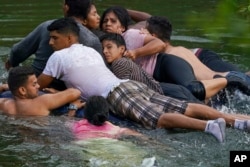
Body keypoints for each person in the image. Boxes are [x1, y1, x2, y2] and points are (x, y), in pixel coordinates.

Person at [37, 17, 250, 143]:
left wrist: (7, 85)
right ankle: (237, 120)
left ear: (69, 38)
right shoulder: (91, 52)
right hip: (131, 86)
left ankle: (210, 127)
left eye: (55, 38)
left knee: (161, 118)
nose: (50, 42)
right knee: (184, 106)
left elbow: (39, 85)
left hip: (116, 94)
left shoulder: (58, 57)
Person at [5, 0, 102, 90]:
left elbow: (17, 52)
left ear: (66, 8)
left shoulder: (48, 27)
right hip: (70, 92)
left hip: (36, 86)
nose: (50, 42)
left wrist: (11, 66)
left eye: (55, 38)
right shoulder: (93, 40)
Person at [145, 16, 250, 93]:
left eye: (143, 31)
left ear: (153, 36)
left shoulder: (171, 57)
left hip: (225, 84)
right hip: (230, 78)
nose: (141, 32)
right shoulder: (179, 50)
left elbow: (194, 85)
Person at [127, 9, 242, 72]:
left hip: (198, 56)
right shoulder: (123, 36)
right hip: (185, 65)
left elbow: (151, 19)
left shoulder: (136, 29)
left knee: (238, 77)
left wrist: (122, 11)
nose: (108, 24)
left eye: (113, 20)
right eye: (107, 21)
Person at [100, 32, 202, 103]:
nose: (105, 51)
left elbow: (123, 94)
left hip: (167, 93)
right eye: (103, 48)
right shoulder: (126, 61)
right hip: (170, 90)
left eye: (109, 47)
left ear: (122, 49)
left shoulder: (119, 64)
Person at [0, 66, 84, 116]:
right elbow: (75, 92)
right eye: (34, 84)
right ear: (22, 90)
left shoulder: (3, 104)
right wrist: (56, 92)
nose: (38, 86)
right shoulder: (42, 102)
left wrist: (7, 87)